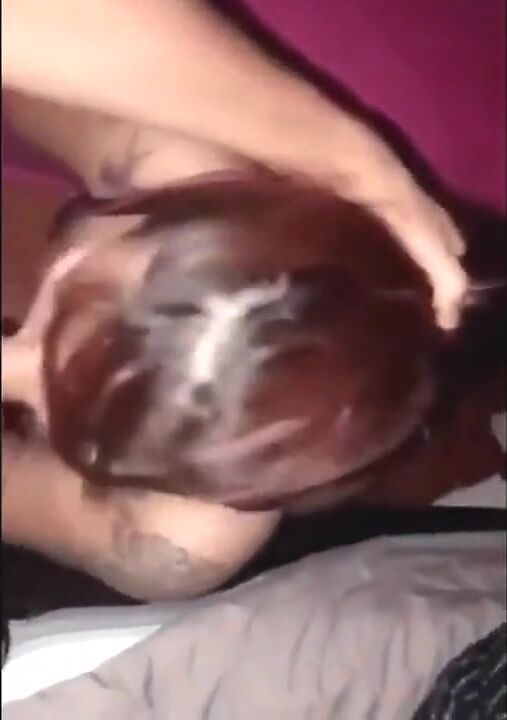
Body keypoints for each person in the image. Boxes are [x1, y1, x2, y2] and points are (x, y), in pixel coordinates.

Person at [1, 0, 469, 601]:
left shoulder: (182, 532)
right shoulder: (168, 138)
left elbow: (164, 550)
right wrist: (349, 159)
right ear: (152, 209)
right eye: (59, 317)